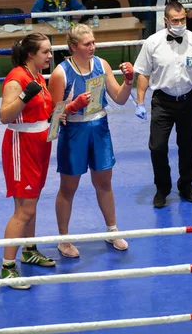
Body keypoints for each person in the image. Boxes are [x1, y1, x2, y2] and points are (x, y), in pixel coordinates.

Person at [48, 24, 133, 258]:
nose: (92, 47)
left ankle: (112, 230)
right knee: (68, 187)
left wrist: (128, 81)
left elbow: (120, 98)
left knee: (105, 182)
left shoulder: (102, 64)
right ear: (73, 47)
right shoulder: (60, 73)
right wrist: (72, 106)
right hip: (74, 132)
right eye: (87, 44)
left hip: (100, 128)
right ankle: (63, 239)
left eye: (94, 42)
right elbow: (53, 117)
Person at [132, 1, 192, 208]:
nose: (180, 24)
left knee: (187, 147)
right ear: (166, 21)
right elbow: (143, 73)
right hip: (162, 101)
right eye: (175, 20)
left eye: (183, 19)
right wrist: (140, 102)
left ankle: (186, 186)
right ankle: (162, 188)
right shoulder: (152, 43)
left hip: (189, 100)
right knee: (157, 147)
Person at [0, 33, 56, 290]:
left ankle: (29, 250)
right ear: (31, 54)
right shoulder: (17, 78)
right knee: (24, 209)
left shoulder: (37, 76)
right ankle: (7, 268)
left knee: (30, 205)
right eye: (45, 51)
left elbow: (42, 111)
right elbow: (4, 115)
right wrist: (23, 97)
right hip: (22, 147)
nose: (50, 55)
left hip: (40, 144)